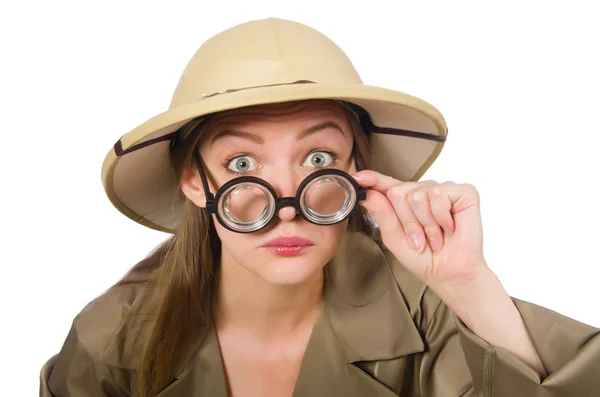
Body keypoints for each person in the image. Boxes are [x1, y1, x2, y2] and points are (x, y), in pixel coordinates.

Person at [39, 17, 599, 397]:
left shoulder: (430, 317)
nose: (286, 206)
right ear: (194, 183)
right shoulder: (111, 338)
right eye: (241, 165)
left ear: (356, 170)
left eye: (317, 157)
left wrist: (469, 283)